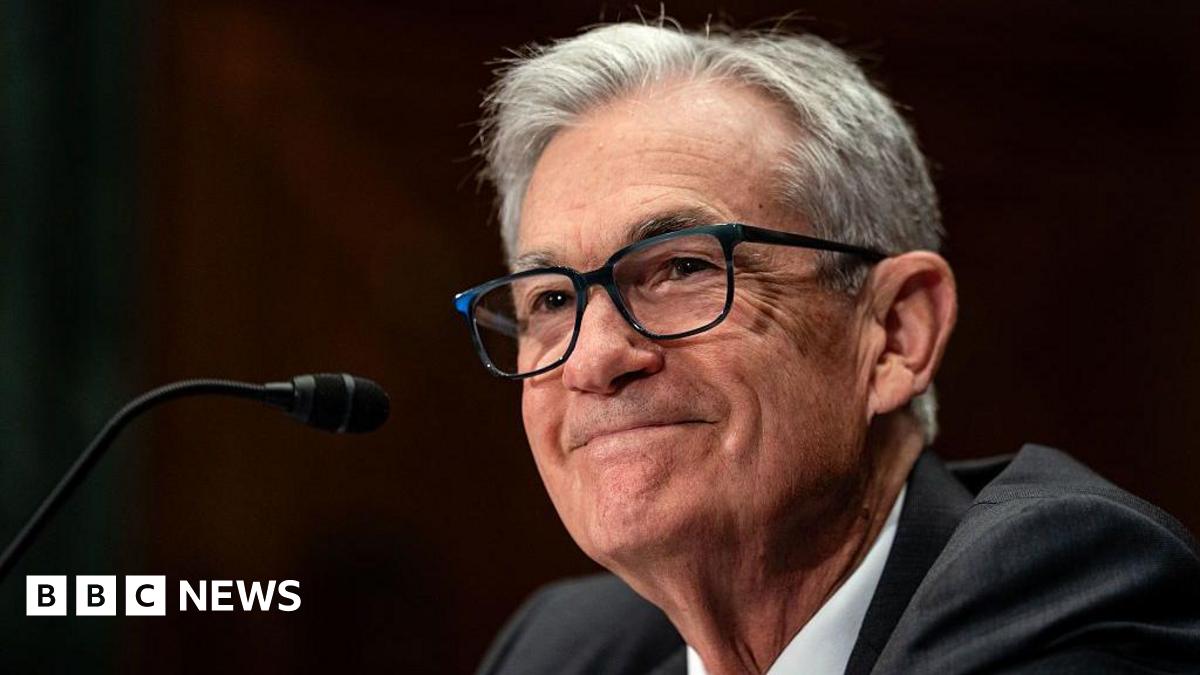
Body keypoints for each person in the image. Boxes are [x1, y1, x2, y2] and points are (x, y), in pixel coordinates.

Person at [452, 21, 1200, 675]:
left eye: (682, 267)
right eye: (551, 299)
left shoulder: (1060, 585)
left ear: (895, 333)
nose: (593, 359)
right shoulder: (561, 647)